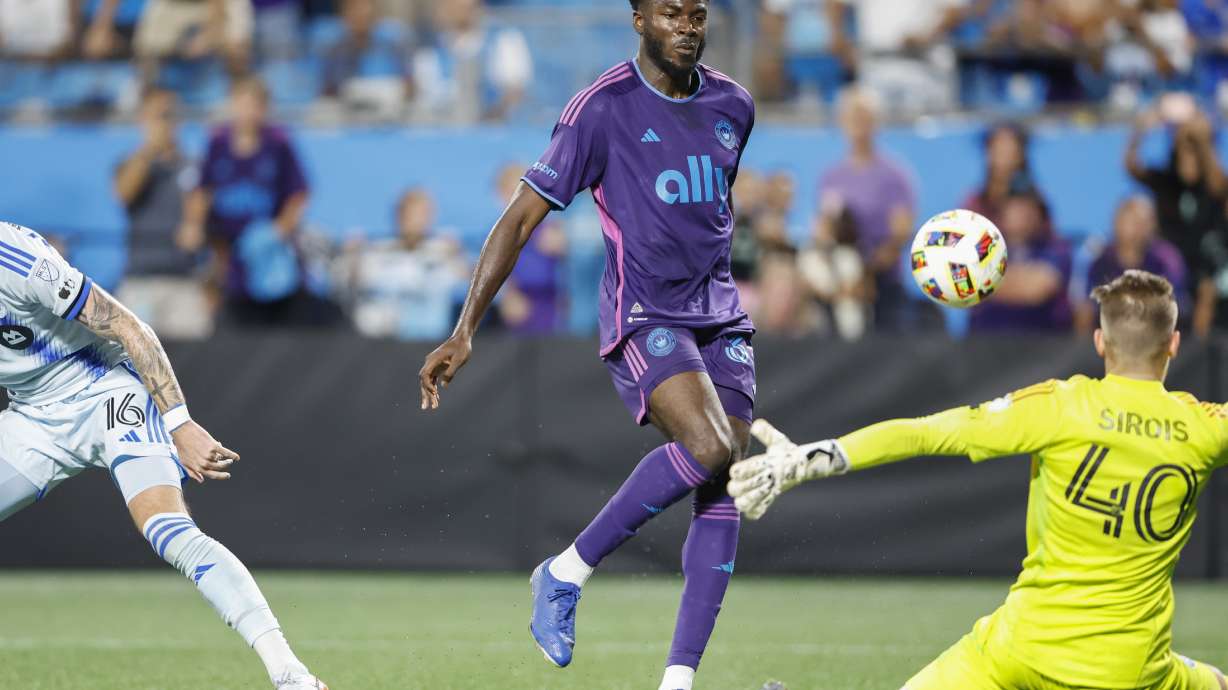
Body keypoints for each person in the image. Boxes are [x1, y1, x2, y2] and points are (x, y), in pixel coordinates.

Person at [418, 2, 755, 688]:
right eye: (670, 13)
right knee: (711, 447)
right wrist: (465, 326)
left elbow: (711, 213)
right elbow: (520, 220)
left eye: (697, 13)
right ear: (639, 21)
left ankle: (678, 682)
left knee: (725, 483)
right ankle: (565, 571)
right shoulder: (599, 110)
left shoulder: (734, 104)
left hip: (721, 317)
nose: (687, 25)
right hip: (645, 315)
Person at [728, 270, 1228, 690]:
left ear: (1100, 341)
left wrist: (810, 458)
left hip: (1024, 649)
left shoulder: (1060, 406)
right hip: (1133, 668)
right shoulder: (1207, 427)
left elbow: (924, 434)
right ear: (1175, 344)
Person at [0, 220, 326, 690]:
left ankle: (291, 675)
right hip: (31, 416)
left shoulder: (20, 262)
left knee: (166, 527)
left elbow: (130, 328)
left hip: (104, 391)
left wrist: (179, 422)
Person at [182, 77, 335, 329]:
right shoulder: (218, 143)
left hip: (268, 255)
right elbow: (201, 190)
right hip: (230, 254)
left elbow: (298, 194)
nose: (247, 112)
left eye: (254, 104)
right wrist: (194, 224)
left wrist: (277, 231)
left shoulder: (278, 143)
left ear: (264, 108)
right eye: (241, 103)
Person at [113, 87, 211, 340]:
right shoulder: (130, 163)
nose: (165, 123)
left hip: (183, 280)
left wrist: (193, 224)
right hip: (140, 280)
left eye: (169, 115)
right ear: (142, 120)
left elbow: (199, 207)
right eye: (157, 116)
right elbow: (124, 193)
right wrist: (149, 150)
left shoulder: (192, 166)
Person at [817, 87, 918, 331]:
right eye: (852, 115)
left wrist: (867, 274)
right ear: (842, 121)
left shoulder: (894, 175)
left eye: (864, 116)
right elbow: (824, 229)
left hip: (883, 285)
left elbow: (900, 235)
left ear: (876, 122)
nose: (858, 123)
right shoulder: (832, 177)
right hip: (843, 281)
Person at [343, 188, 467, 340]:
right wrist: (352, 258)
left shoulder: (444, 250)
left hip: (431, 341)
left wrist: (458, 256)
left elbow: (471, 283)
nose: (415, 221)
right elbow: (351, 284)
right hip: (384, 343)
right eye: (409, 214)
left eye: (423, 214)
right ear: (398, 216)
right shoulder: (376, 251)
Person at [1076, 195, 1188, 332]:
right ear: (1116, 222)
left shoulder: (1166, 259)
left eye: (1145, 222)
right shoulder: (1100, 262)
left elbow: (1172, 305)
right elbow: (1086, 307)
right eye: (1133, 221)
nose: (1139, 229)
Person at [411, 0, 532, 123]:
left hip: (493, 132)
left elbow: (515, 93)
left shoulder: (503, 39)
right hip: (444, 132)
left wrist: (489, 118)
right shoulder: (429, 50)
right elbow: (423, 99)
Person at [970, 190, 1073, 332]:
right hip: (984, 341)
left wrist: (987, 280)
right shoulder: (980, 247)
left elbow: (1038, 289)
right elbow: (968, 282)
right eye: (1015, 207)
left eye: (1029, 208)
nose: (1023, 215)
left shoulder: (1057, 248)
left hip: (1044, 342)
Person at [493, 163, 566, 335]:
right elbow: (482, 272)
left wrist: (565, 249)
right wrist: (505, 295)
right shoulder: (495, 235)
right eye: (512, 191)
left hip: (552, 312)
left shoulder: (550, 229)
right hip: (519, 315)